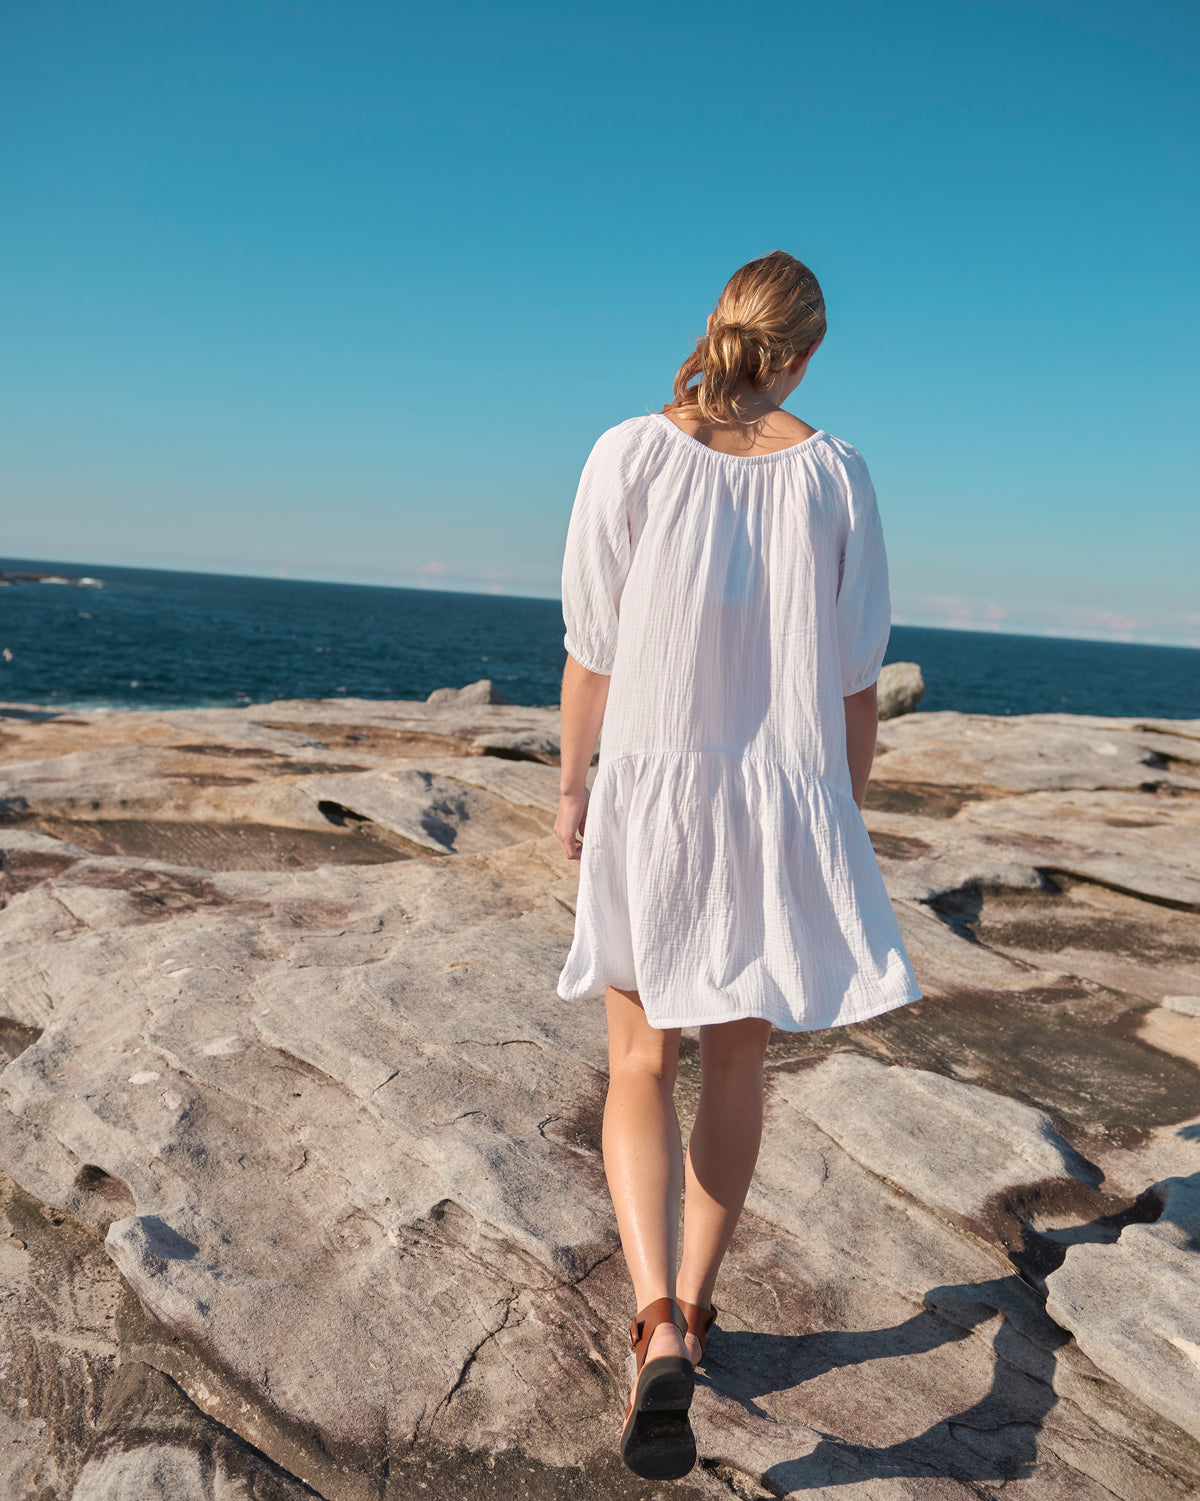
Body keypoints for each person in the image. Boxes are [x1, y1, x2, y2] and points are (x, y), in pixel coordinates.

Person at [552, 250, 922, 1480]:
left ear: (714, 328)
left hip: (652, 789)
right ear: (809, 351)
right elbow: (859, 674)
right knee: (738, 1061)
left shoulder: (628, 451)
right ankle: (696, 1316)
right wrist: (837, 816)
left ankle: (653, 1314)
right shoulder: (839, 475)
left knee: (638, 1058)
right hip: (783, 797)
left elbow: (593, 647)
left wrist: (571, 789)